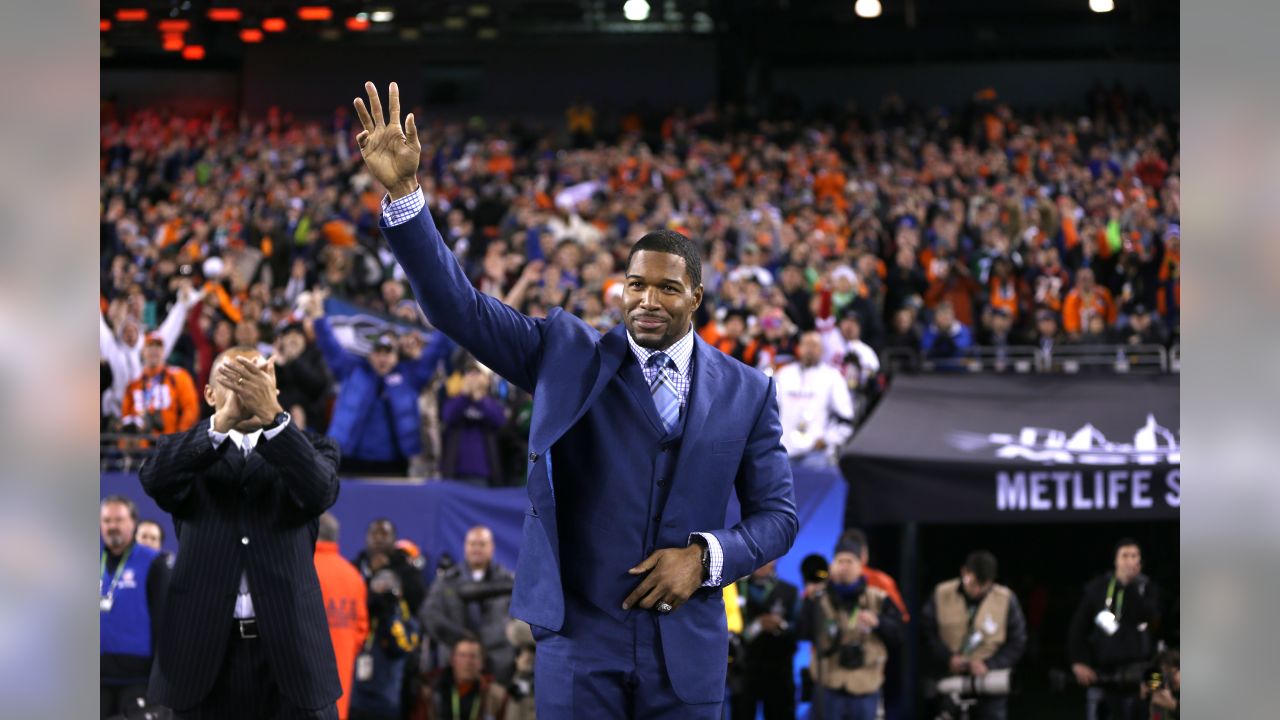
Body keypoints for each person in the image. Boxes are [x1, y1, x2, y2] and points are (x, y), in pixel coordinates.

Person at [354, 81, 797, 718]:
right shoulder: (566, 355)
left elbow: (778, 518)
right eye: (635, 285)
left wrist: (705, 559)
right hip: (580, 644)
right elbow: (459, 308)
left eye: (666, 289)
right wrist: (404, 196)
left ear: (695, 297)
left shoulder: (748, 392)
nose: (647, 300)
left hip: (687, 654)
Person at [139, 346, 343, 718]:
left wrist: (273, 420)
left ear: (275, 390)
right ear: (210, 394)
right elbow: (155, 480)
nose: (247, 391)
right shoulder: (183, 453)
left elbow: (319, 491)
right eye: (234, 380)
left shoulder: (316, 449)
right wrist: (222, 423)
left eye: (257, 380)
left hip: (291, 656)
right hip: (202, 660)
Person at [310, 292, 454, 476]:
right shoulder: (352, 370)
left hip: (393, 464)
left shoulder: (410, 376)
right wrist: (317, 316)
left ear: (396, 356)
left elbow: (435, 350)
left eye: (388, 352)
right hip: (350, 460)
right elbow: (329, 344)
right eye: (378, 351)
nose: (383, 358)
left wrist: (450, 316)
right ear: (369, 354)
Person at [798, 537, 904, 720]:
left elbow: (899, 635)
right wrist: (809, 602)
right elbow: (802, 633)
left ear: (860, 566)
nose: (844, 566)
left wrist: (878, 622)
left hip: (866, 686)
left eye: (850, 561)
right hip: (829, 684)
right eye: (840, 561)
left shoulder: (878, 598)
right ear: (832, 566)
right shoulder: (818, 598)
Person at [920, 551, 1027, 720]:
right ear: (964, 572)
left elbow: (1018, 641)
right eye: (973, 582)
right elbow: (926, 633)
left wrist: (990, 665)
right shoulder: (941, 593)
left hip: (989, 684)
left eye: (983, 586)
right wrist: (947, 658)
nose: (976, 590)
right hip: (949, 681)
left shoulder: (1006, 599)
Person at [1068, 539, 1163, 720]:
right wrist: (1078, 661)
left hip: (1144, 671)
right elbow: (1078, 628)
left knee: (1153, 712)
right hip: (1106, 672)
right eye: (1124, 556)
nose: (1129, 561)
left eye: (1134, 556)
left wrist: (1131, 586)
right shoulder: (1099, 588)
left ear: (1140, 561)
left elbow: (1152, 619)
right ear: (1115, 561)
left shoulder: (1148, 588)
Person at [100, 496, 170, 720]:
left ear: (133, 523)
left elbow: (164, 622)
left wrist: (161, 677)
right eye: (107, 520)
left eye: (118, 520)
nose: (112, 526)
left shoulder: (153, 562)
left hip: (139, 677)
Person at [422, 526, 517, 684]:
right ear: (465, 546)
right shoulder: (447, 581)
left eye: (482, 544)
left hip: (499, 666)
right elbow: (429, 615)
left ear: (492, 547)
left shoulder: (508, 581)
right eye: (472, 544)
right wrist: (460, 638)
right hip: (455, 667)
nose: (477, 549)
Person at [316, 513, 371, 720]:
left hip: (303, 675)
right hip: (341, 670)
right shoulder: (353, 575)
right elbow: (361, 630)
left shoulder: (300, 568)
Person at [730, 560, 800, 720]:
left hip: (779, 672)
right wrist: (757, 626)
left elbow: (800, 630)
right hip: (743, 670)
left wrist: (781, 625)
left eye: (768, 558)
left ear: (776, 559)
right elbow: (726, 626)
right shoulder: (735, 589)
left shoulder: (790, 591)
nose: (762, 563)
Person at [774, 330, 855, 466]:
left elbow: (845, 418)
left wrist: (828, 439)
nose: (810, 349)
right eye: (807, 344)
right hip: (782, 452)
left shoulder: (832, 377)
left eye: (815, 345)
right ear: (799, 348)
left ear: (822, 350)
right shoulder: (784, 374)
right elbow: (770, 411)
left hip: (815, 455)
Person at [350, 569, 422, 720]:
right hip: (356, 699)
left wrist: (389, 617)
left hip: (385, 701)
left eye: (387, 588)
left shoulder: (407, 622)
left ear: (399, 592)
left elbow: (402, 647)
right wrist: (368, 610)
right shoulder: (364, 615)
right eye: (378, 588)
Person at [120, 332, 200, 437]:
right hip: (140, 448)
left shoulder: (179, 377)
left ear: (163, 352)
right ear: (143, 351)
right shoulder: (133, 384)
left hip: (169, 444)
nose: (154, 351)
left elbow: (191, 409)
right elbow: (126, 417)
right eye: (150, 346)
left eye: (158, 347)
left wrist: (179, 439)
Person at [440, 368, 509, 486]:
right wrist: (464, 395)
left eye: (477, 374)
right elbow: (447, 416)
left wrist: (479, 398)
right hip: (455, 471)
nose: (473, 378)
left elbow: (500, 421)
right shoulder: (455, 400)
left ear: (487, 380)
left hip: (483, 471)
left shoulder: (492, 402)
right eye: (470, 373)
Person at [417, 637, 510, 720]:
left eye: (473, 656)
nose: (468, 662)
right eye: (462, 655)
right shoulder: (431, 690)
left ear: (482, 663)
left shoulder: (496, 695)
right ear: (452, 660)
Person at [353, 519, 428, 616]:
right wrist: (370, 572)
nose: (378, 539)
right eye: (374, 534)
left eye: (384, 534)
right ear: (366, 538)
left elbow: (420, 603)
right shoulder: (354, 568)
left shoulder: (407, 569)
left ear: (394, 540)